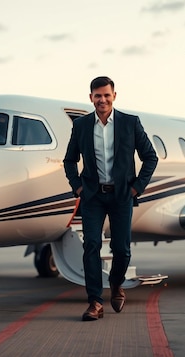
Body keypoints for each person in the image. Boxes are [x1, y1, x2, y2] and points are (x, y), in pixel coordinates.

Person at [63, 76, 158, 321]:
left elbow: (150, 157)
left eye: (106, 95)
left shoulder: (130, 123)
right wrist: (78, 188)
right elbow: (69, 160)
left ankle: (116, 285)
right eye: (97, 95)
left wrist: (137, 188)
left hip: (122, 195)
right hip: (93, 197)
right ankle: (95, 302)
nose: (102, 99)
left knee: (122, 250)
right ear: (91, 98)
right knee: (91, 246)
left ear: (114, 95)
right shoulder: (82, 125)